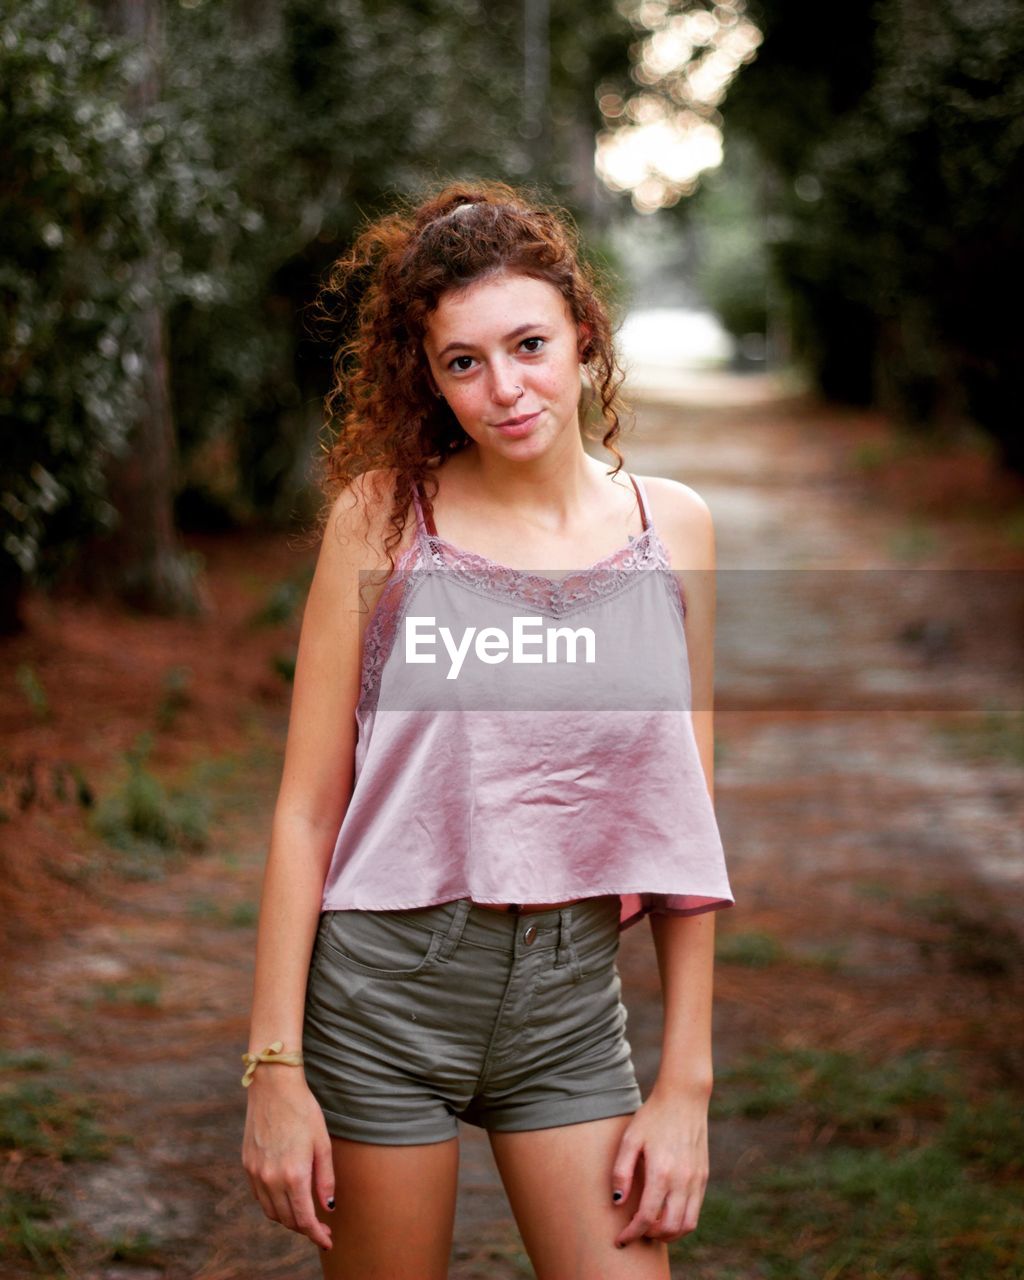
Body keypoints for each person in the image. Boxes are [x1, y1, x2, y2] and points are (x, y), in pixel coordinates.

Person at [241, 181, 734, 1280]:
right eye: (463, 361)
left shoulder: (676, 531)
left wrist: (684, 1084)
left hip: (566, 1006)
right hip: (384, 993)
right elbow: (306, 805)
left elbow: (683, 827)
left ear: (584, 337)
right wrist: (274, 1066)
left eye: (528, 344)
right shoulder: (380, 519)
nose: (504, 388)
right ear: (428, 375)